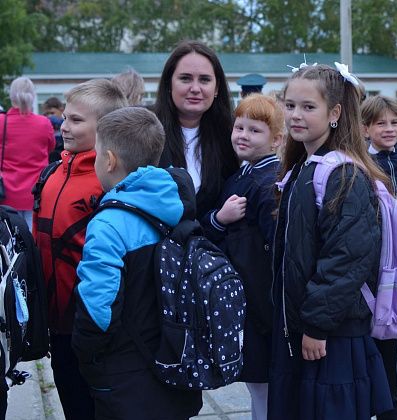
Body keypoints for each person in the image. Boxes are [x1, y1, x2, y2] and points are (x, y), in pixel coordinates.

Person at [269, 63, 393, 420]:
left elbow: (346, 260)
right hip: (304, 328)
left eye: (308, 107)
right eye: (290, 105)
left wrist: (317, 325)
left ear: (335, 112)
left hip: (329, 336)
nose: (295, 115)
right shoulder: (304, 166)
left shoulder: (343, 173)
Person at [71, 106, 202, 419]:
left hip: (124, 372)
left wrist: (86, 355)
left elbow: (97, 309)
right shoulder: (176, 204)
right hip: (174, 359)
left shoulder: (109, 224)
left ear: (110, 160)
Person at [32, 79, 128, 420]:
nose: (64, 125)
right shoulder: (54, 171)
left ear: (103, 128)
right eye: (65, 118)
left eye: (75, 120)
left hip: (93, 327)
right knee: (72, 402)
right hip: (56, 324)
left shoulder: (110, 179)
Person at [202, 94, 283, 420]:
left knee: (263, 381)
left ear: (276, 139)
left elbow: (277, 248)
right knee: (256, 382)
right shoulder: (243, 175)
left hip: (260, 300)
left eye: (255, 130)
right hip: (246, 298)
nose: (243, 135)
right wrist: (219, 219)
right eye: (239, 127)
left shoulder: (267, 183)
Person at [360, 95, 397, 420]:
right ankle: (378, 403)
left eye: (394, 122)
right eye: (380, 123)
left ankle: (390, 404)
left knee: (391, 338)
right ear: (366, 128)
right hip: (373, 270)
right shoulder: (363, 166)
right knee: (372, 341)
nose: (389, 128)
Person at [155, 40, 239, 221]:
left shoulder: (233, 136)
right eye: (185, 78)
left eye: (204, 80)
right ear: (169, 84)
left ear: (216, 88)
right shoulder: (146, 133)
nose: (195, 88)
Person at [0, 77, 54, 229]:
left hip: (6, 193)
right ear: (32, 95)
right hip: (36, 192)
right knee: (33, 240)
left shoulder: (1, 122)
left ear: (11, 96)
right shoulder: (44, 123)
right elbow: (50, 148)